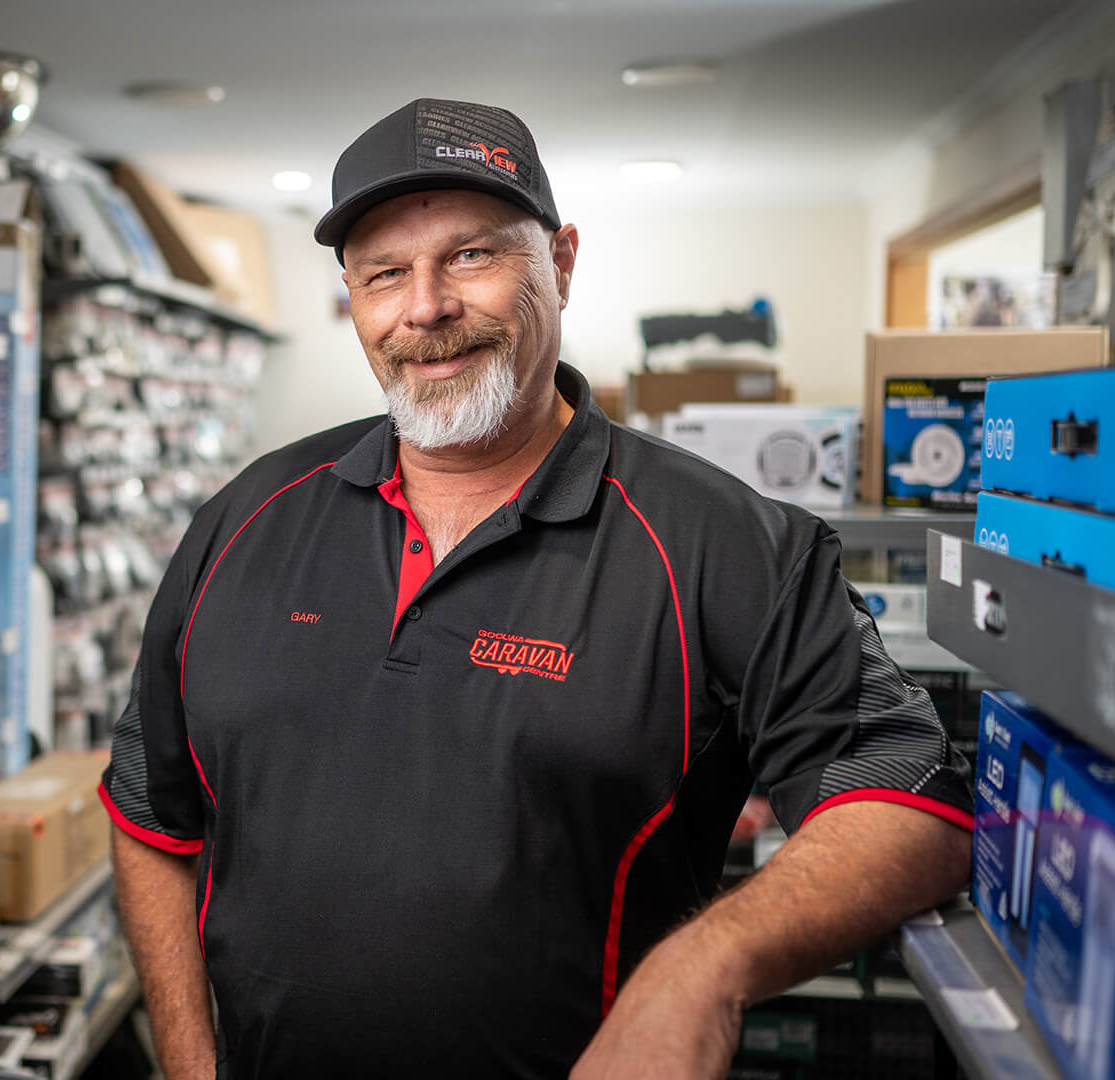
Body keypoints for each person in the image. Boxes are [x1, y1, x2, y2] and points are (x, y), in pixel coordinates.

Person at [100, 98, 973, 1079]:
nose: (425, 308)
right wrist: (187, 1059)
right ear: (353, 298)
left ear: (559, 262)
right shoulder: (244, 521)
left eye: (471, 256)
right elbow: (151, 813)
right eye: (385, 274)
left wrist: (704, 967)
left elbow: (908, 800)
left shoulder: (722, 544)